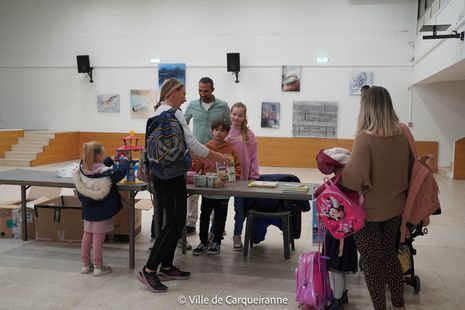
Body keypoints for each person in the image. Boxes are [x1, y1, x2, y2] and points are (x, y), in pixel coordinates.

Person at [137, 78, 228, 293]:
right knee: (174, 222)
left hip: (160, 174)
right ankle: (149, 270)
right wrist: (217, 157)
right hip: (173, 175)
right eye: (183, 93)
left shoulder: (156, 112)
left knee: (174, 221)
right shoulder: (174, 113)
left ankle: (167, 266)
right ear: (173, 92)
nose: (186, 98)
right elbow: (193, 144)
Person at [340, 86, 411, 310]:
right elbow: (408, 170)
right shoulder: (402, 135)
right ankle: (399, 306)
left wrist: (339, 176)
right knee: (390, 257)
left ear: (367, 109)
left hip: (368, 214)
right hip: (395, 209)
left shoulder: (364, 139)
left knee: (372, 264)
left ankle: (380, 307)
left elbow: (354, 180)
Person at [73, 141, 129, 277]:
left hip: (88, 210)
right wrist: (124, 161)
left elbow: (103, 164)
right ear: (97, 156)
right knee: (98, 239)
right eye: (103, 154)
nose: (105, 156)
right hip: (102, 211)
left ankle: (85, 265)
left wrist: (109, 160)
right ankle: (98, 266)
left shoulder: (82, 169)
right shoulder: (105, 173)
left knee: (87, 236)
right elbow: (119, 173)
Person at [184, 77, 230, 237]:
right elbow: (183, 125)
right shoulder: (192, 105)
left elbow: (229, 127)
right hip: (197, 153)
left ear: (213, 89)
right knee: (194, 187)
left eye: (206, 91)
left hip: (215, 153)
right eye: (200, 90)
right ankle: (190, 223)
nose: (203, 93)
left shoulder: (223, 106)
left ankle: (216, 224)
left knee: (215, 186)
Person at [191, 119, 241, 256]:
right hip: (207, 190)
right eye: (216, 129)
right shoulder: (205, 148)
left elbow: (237, 168)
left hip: (223, 191)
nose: (219, 132)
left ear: (226, 133)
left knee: (220, 217)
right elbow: (196, 166)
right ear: (211, 131)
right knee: (204, 216)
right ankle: (203, 241)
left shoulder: (230, 150)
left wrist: (233, 175)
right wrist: (194, 166)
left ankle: (217, 242)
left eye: (222, 130)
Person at [226, 102, 260, 251]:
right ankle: (214, 235)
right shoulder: (224, 131)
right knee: (219, 208)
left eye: (240, 115)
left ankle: (237, 236)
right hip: (225, 179)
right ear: (230, 114)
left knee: (240, 210)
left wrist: (254, 174)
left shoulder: (249, 134)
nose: (236, 117)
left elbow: (253, 157)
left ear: (244, 117)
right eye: (234, 114)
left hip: (243, 179)